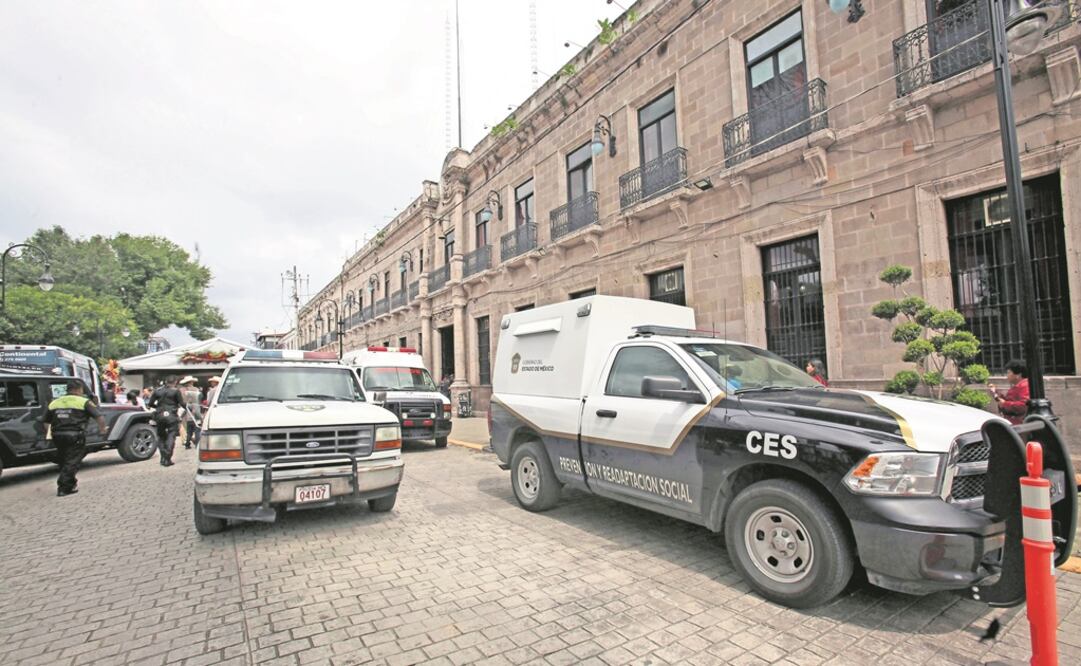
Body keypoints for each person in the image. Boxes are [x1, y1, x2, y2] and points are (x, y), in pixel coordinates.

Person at [41, 381, 106, 497]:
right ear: (79, 389)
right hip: (75, 435)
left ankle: (71, 484)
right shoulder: (83, 402)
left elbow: (46, 422)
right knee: (73, 461)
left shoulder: (55, 402)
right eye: (81, 390)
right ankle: (63, 487)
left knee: (64, 459)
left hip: (57, 435)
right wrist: (102, 430)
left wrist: (49, 435)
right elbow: (99, 416)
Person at [147, 376, 187, 467]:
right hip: (172, 415)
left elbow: (150, 404)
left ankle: (163, 457)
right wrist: (188, 407)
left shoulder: (157, 391)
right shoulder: (176, 391)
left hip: (160, 415)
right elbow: (182, 403)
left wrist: (158, 408)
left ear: (166, 381)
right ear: (175, 382)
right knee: (171, 435)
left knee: (161, 436)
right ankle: (167, 454)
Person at [991, 359, 1029, 425]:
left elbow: (1024, 405)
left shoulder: (1025, 385)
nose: (1007, 375)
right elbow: (1010, 400)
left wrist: (1004, 404)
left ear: (1018, 375)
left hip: (1019, 424)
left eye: (1008, 372)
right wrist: (996, 393)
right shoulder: (1020, 385)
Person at [179, 376, 203, 450]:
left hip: (184, 411)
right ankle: (197, 443)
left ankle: (187, 443)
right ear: (191, 382)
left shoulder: (181, 390)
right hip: (195, 410)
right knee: (197, 429)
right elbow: (200, 399)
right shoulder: (196, 390)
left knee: (188, 430)